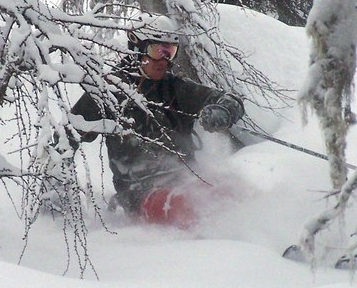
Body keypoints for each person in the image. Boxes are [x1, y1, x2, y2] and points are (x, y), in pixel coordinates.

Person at [68, 15, 244, 228]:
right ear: (136, 49)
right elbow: (66, 135)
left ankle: (267, 246)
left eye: (170, 53)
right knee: (187, 206)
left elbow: (230, 100)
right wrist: (55, 185)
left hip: (186, 178)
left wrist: (223, 110)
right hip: (140, 191)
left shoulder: (176, 89)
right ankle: (221, 247)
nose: (164, 61)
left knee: (234, 191)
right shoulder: (110, 92)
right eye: (156, 51)